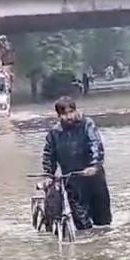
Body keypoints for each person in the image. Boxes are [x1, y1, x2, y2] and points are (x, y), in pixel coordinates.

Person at [41, 96, 112, 230]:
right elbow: (49, 155)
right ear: (59, 115)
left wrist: (94, 165)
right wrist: (48, 175)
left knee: (103, 221)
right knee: (81, 223)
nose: (68, 117)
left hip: (94, 178)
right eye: (64, 114)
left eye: (70, 112)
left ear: (75, 111)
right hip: (72, 181)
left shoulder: (87, 124)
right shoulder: (54, 133)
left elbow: (95, 144)